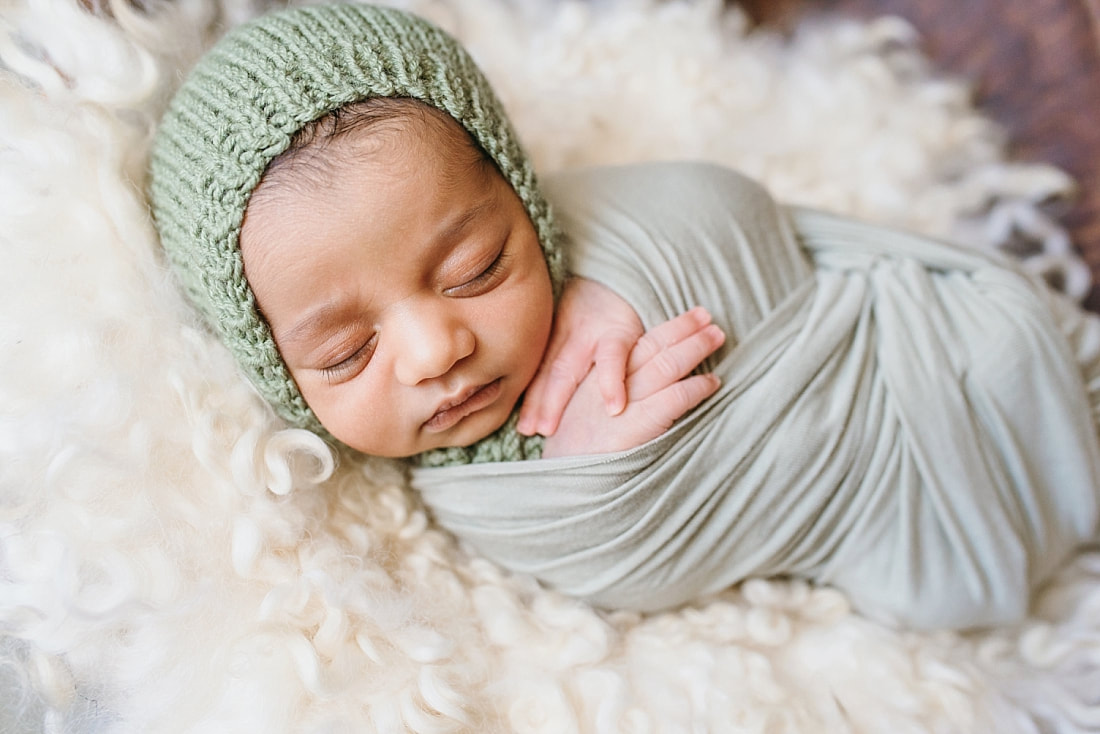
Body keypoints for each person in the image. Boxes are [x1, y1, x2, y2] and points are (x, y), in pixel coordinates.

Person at [149, 3, 1100, 629]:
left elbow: (721, 205)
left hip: (955, 357)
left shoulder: (596, 230)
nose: (438, 347)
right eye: (347, 350)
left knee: (1018, 349)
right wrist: (597, 472)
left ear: (524, 197)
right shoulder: (470, 500)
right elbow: (639, 567)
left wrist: (629, 283)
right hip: (911, 514)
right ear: (275, 369)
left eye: (478, 267)